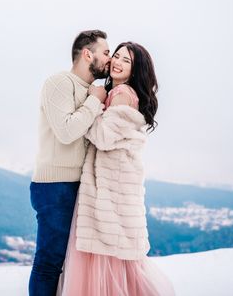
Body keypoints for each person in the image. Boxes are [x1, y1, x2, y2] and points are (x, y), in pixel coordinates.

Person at [58, 42, 176, 296]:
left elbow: (102, 136)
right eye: (117, 56)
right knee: (114, 259)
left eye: (127, 60)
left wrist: (92, 103)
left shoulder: (121, 93)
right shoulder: (123, 92)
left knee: (105, 255)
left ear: (136, 70)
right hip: (114, 184)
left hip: (110, 189)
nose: (117, 62)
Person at [29, 30, 111, 296]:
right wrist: (94, 101)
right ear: (88, 54)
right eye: (106, 52)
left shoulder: (94, 92)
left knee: (70, 264)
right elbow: (66, 132)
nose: (109, 59)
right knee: (49, 262)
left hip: (80, 184)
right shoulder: (59, 83)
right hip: (55, 186)